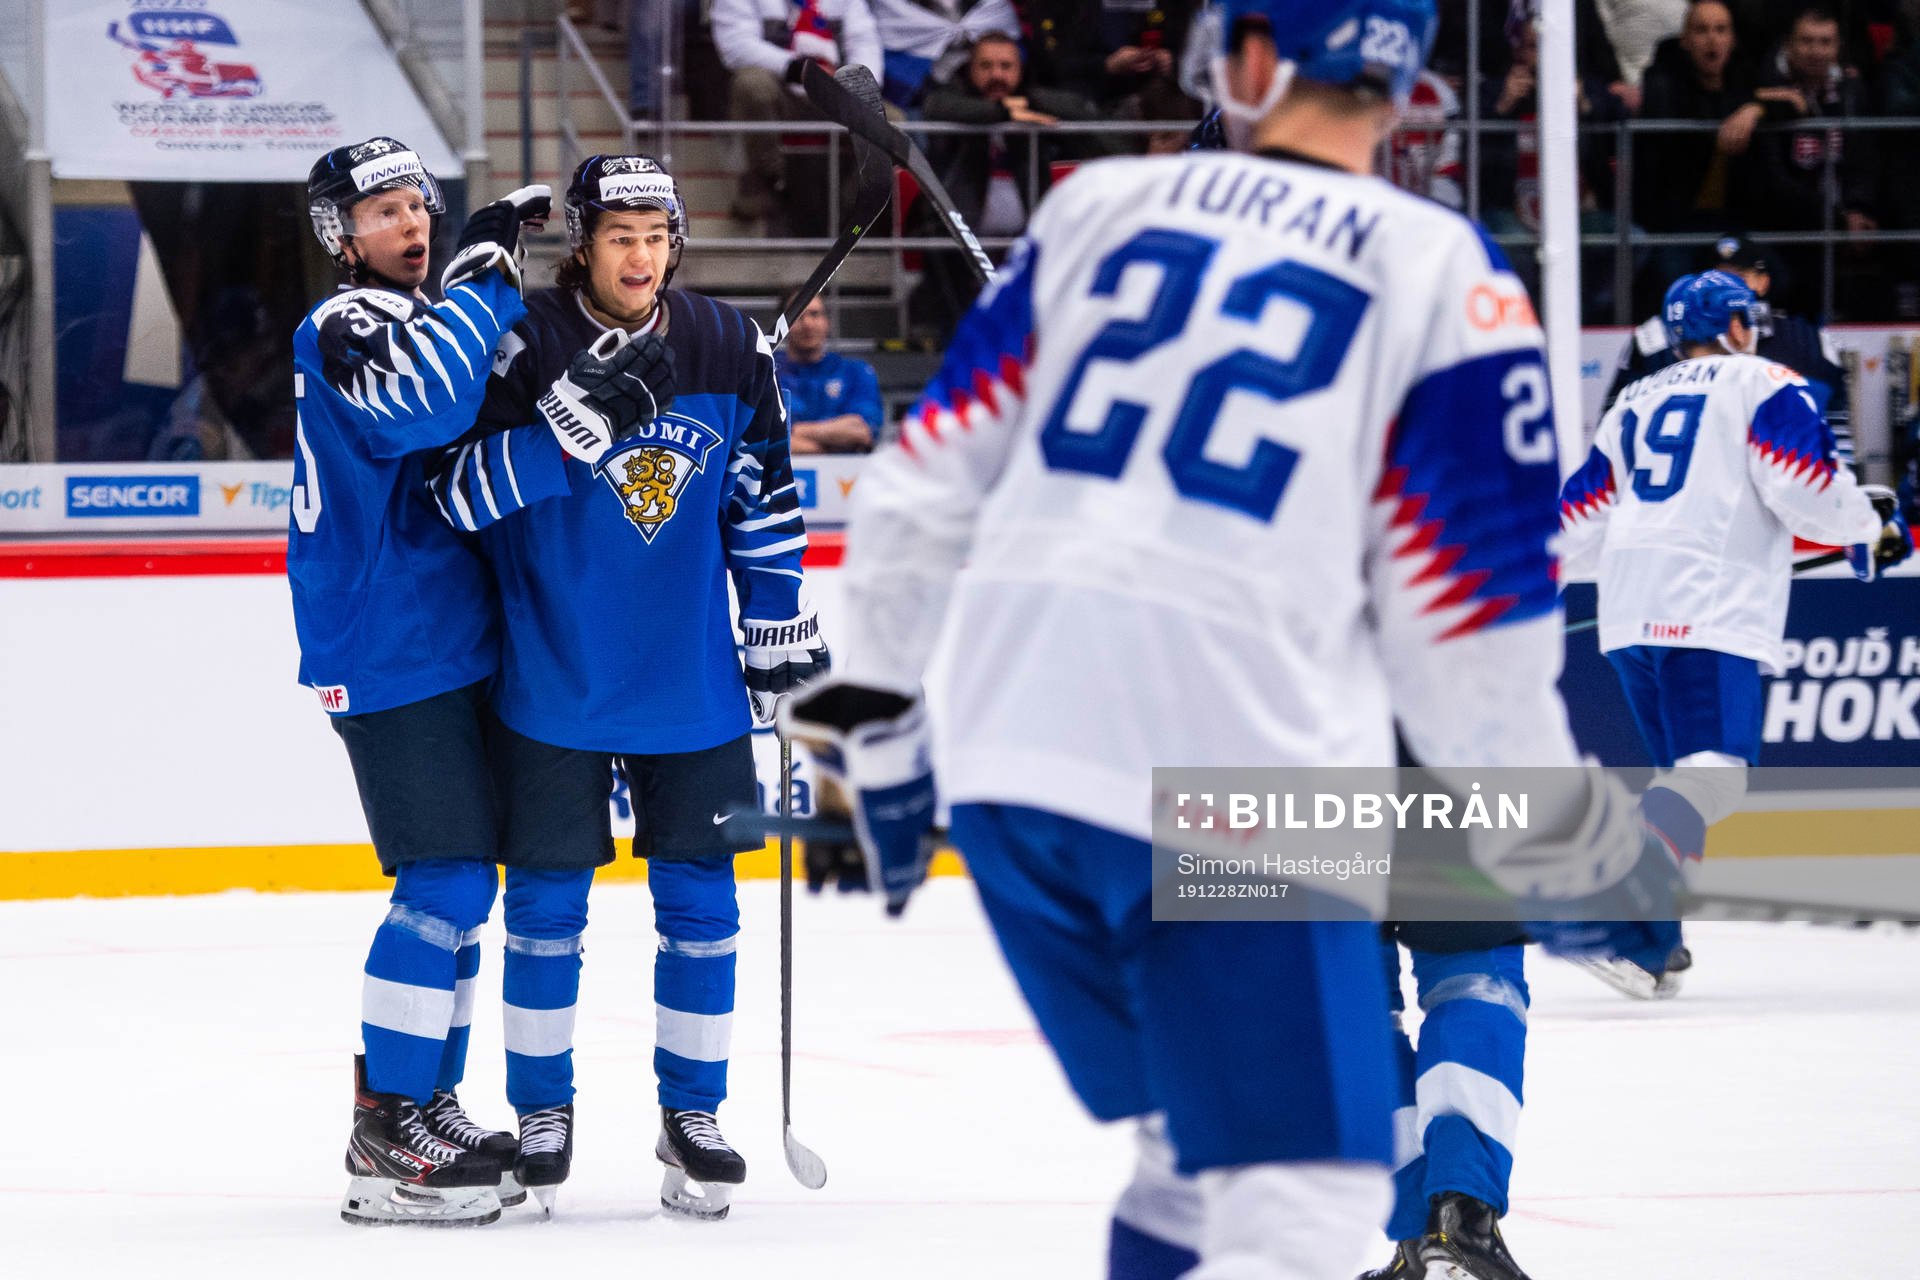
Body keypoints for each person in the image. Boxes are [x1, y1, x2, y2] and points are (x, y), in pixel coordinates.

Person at [783, 4, 1690, 1277]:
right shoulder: (1447, 274)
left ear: (1247, 71)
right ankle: (1461, 1220)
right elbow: (1474, 636)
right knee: (1295, 1207)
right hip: (1242, 770)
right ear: (1406, 80)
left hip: (1017, 774)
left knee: (1191, 1162)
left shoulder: (1097, 215)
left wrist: (873, 719)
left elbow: (923, 484)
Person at [428, 153, 830, 1220]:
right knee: (547, 908)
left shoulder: (726, 344)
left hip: (688, 682)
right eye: (619, 236)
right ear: (583, 241)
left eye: (656, 235)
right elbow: (454, 497)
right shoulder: (522, 341)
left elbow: (764, 492)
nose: (640, 255)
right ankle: (543, 1110)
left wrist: (777, 617)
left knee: (703, 906)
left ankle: (692, 1113)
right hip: (551, 673)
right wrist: (561, 433)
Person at [291, 137, 589, 1225]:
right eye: (381, 213)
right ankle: (387, 1123)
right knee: (448, 882)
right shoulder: (344, 326)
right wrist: (484, 275)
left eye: (419, 205)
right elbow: (421, 407)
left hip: (450, 633)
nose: (409, 224)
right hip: (382, 642)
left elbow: (488, 423)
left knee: (464, 890)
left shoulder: (419, 314)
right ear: (341, 236)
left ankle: (429, 1103)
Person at [1559, 269, 1912, 998]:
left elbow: (1578, 518)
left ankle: (1653, 942)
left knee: (1681, 779)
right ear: (1739, 326)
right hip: (1706, 604)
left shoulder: (1633, 396)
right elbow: (1802, 486)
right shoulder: (1765, 380)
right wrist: (1867, 524)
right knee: (1715, 772)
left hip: (1627, 610)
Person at [1605, 234, 1853, 465]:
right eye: (1713, 278)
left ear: (1762, 282)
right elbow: (1611, 435)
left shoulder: (1806, 342)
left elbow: (1836, 436)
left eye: (1738, 279)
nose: (1722, 290)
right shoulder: (1653, 341)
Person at [710, 0, 884, 223]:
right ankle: (766, 182)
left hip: (835, 92)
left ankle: (855, 209)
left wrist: (857, 86)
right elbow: (736, 46)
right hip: (781, 88)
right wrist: (800, 70)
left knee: (893, 122)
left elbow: (864, 41)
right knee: (752, 85)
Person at [776, 290, 882, 453]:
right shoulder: (767, 373)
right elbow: (759, 440)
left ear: (827, 321)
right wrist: (829, 445)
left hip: (845, 476)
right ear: (782, 325)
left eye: (815, 314)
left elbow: (862, 431)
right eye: (798, 315)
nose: (808, 324)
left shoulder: (855, 372)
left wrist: (795, 431)